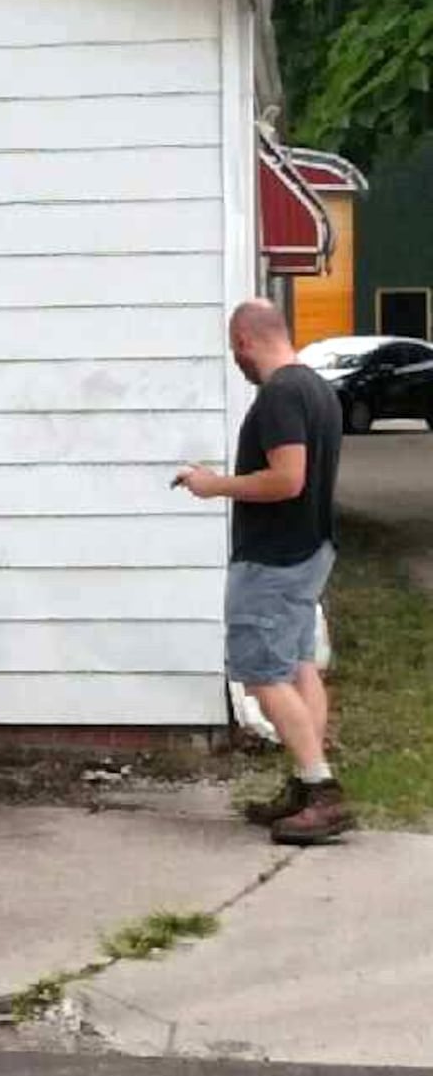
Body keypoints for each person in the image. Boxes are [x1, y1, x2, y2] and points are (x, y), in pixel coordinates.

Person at [176, 298, 349, 845]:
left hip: (275, 558)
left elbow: (287, 480)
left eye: (235, 351)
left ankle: (321, 791)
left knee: (264, 675)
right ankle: (305, 783)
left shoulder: (279, 395)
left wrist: (215, 485)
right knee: (299, 668)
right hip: (311, 550)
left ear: (247, 341)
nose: (237, 362)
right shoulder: (318, 390)